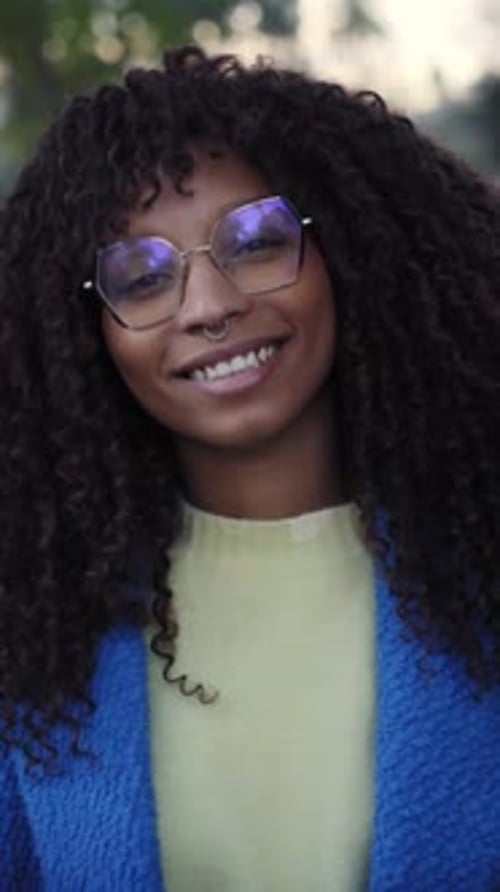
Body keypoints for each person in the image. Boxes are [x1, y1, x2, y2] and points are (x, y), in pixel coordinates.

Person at [0, 43, 499, 892]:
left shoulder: (478, 562)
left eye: (257, 240)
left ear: (349, 250)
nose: (209, 306)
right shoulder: (35, 621)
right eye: (140, 276)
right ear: (87, 332)